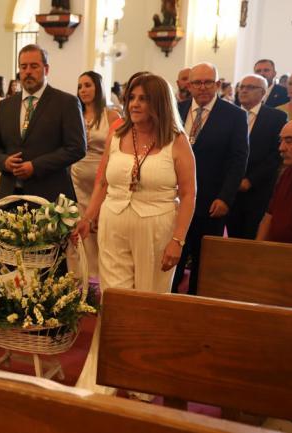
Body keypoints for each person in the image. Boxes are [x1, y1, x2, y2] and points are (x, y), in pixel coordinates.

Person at [73, 73, 196, 396]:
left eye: (143, 98)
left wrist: (177, 240)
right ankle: (107, 375)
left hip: (156, 226)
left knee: (148, 301)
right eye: (131, 98)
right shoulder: (117, 133)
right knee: (114, 301)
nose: (135, 104)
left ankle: (143, 379)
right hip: (113, 223)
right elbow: (102, 182)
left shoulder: (176, 140)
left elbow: (189, 193)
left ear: (158, 102)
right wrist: (88, 217)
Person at [171, 63, 249, 295]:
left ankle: (197, 310)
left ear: (217, 84)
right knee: (173, 258)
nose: (202, 87)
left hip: (211, 201)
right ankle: (168, 302)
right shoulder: (177, 109)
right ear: (189, 85)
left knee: (203, 264)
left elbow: (238, 160)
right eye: (197, 82)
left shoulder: (235, 115)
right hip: (175, 201)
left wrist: (225, 197)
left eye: (208, 82)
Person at [0, 44, 85, 202]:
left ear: (46, 69)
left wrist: (36, 166)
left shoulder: (66, 103)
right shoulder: (6, 105)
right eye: (23, 67)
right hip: (10, 195)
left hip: (49, 195)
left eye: (34, 66)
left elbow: (77, 148)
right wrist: (5, 162)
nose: (28, 72)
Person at [72, 71, 120, 277]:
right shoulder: (75, 115)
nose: (83, 90)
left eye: (88, 85)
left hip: (103, 180)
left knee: (100, 229)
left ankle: (99, 279)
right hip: (76, 179)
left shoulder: (112, 116)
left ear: (98, 87)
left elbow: (116, 151)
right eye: (80, 86)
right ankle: (78, 277)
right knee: (77, 227)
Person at [227, 74, 287, 239]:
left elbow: (276, 154)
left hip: (258, 191)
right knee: (231, 240)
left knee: (251, 237)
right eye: (242, 87)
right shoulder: (229, 115)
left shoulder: (276, 117)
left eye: (250, 87)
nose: (244, 91)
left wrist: (250, 180)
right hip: (230, 190)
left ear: (263, 93)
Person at [256, 120, 292, 243]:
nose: (281, 148)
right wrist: (256, 249)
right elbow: (269, 215)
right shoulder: (287, 174)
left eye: (289, 141)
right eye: (281, 141)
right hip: (275, 253)